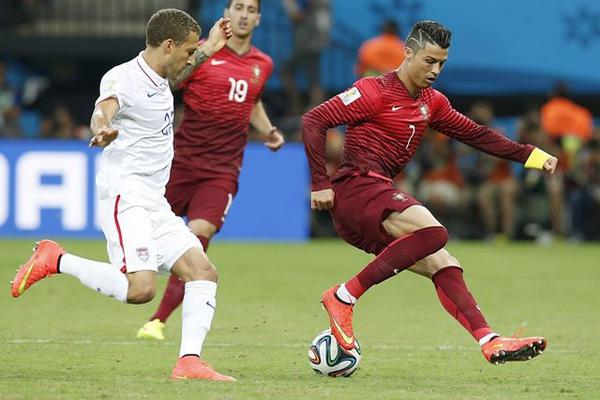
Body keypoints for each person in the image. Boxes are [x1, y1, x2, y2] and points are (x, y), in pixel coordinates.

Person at [302, 20, 557, 365]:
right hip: (356, 189)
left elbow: (477, 134)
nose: (435, 70)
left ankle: (489, 340)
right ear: (407, 54)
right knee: (435, 233)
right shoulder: (372, 91)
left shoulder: (431, 102)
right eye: (429, 61)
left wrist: (530, 154)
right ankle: (343, 297)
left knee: (444, 262)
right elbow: (314, 120)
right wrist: (320, 182)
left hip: (377, 198)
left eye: (442, 63)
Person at [11, 9, 237, 381]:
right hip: (125, 196)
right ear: (168, 45)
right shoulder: (122, 77)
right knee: (141, 290)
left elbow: (182, 71)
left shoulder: (162, 75)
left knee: (203, 271)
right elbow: (104, 110)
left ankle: (189, 363)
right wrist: (102, 129)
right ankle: (55, 259)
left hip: (154, 201)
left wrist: (210, 47)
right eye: (187, 50)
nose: (189, 56)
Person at [137, 0, 285, 341]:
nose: (244, 14)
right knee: (143, 234)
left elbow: (253, 101)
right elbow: (168, 82)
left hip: (222, 170)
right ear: (226, 13)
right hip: (179, 163)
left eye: (251, 9)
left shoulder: (263, 63)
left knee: (197, 239)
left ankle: (157, 320)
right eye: (238, 7)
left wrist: (269, 130)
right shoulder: (198, 52)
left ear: (258, 18)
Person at [281, 0, 331, 115]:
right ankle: (312, 107)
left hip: (307, 41)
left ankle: (301, 107)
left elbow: (296, 16)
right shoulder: (324, 5)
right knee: (313, 75)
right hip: (315, 41)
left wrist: (289, 4)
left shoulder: (315, 4)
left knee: (290, 71)